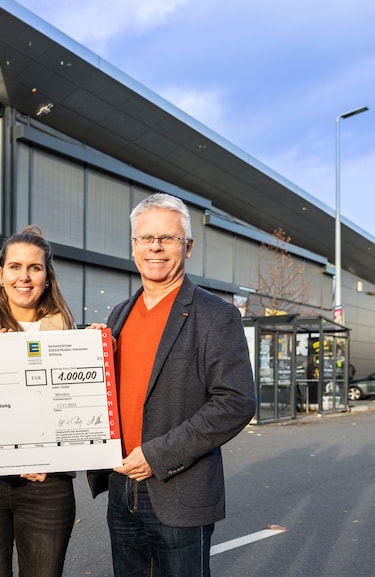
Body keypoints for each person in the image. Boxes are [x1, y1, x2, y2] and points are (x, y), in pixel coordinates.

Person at [87, 192, 255, 577]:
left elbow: (235, 401)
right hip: (120, 483)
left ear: (188, 246)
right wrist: (94, 357)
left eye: (168, 238)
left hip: (178, 486)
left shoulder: (216, 315)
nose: (156, 247)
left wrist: (158, 456)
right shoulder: (120, 314)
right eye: (146, 238)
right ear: (133, 247)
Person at [0, 225, 78, 577]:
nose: (23, 277)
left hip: (46, 484)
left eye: (34, 268)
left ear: (46, 275)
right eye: (15, 267)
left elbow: (72, 414)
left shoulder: (69, 336)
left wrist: (98, 347)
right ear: (1, 274)